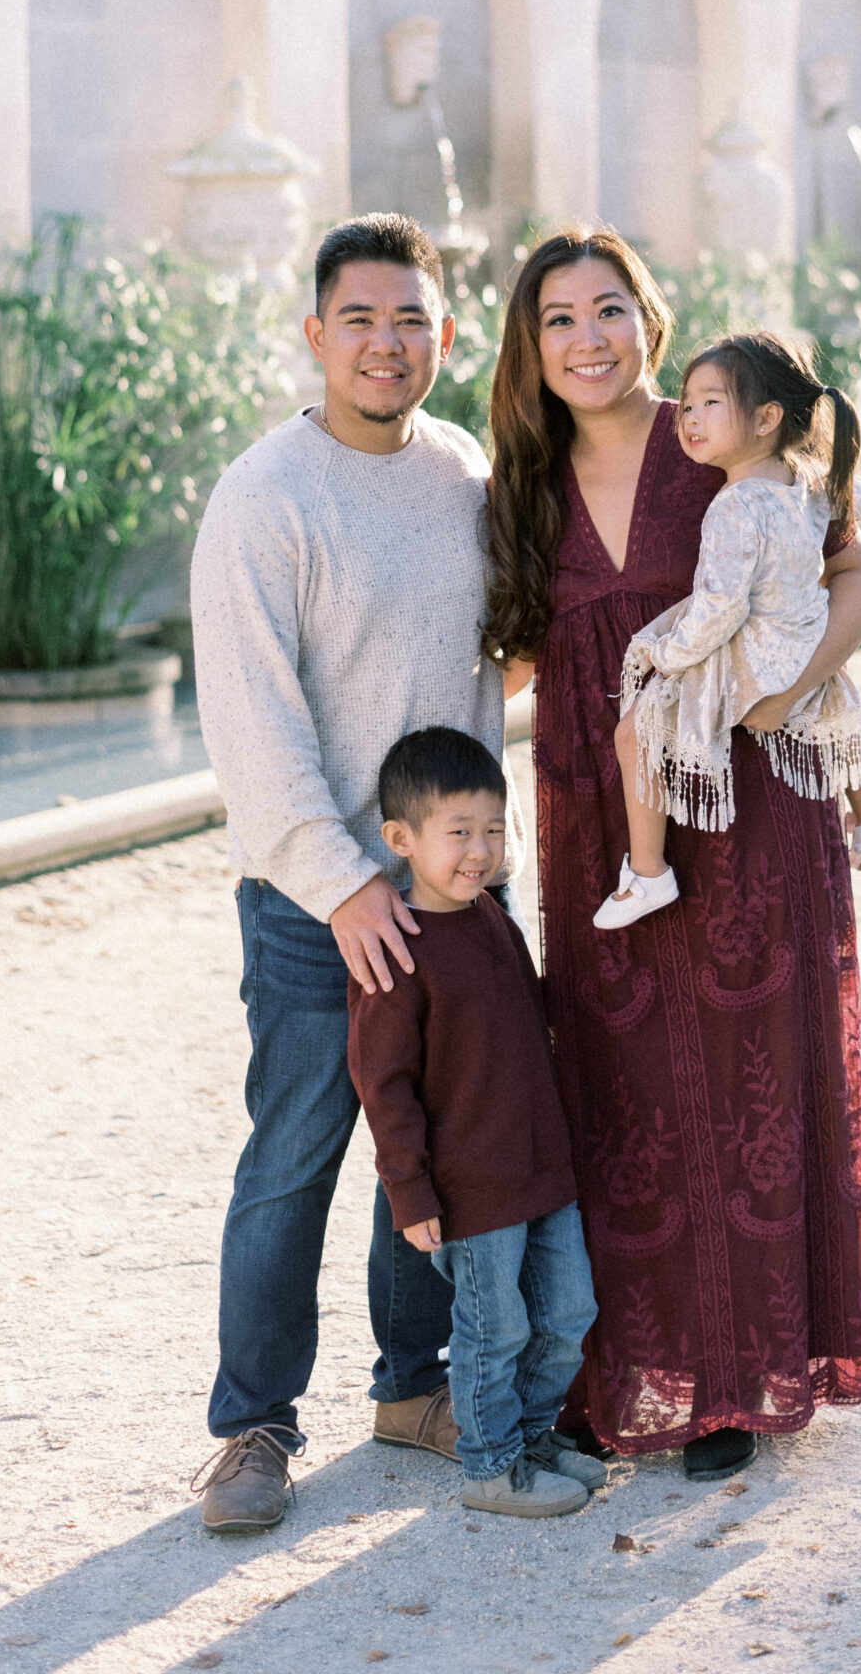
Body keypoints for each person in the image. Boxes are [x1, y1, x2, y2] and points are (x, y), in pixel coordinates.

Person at [483, 228, 861, 1483]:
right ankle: (627, 1371)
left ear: (648, 322)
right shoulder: (520, 482)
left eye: (608, 309)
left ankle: (738, 1379)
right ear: (529, 344)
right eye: (558, 318)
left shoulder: (712, 436)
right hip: (595, 811)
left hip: (745, 801)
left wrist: (786, 695)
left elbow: (860, 582)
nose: (586, 337)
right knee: (622, 1089)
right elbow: (500, 656)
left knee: (749, 1075)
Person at [188, 213, 525, 1534]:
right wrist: (344, 885)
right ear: (315, 335)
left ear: (445, 335)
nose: (387, 344)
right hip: (311, 906)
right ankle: (253, 1425)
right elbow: (252, 729)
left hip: (450, 898)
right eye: (361, 320)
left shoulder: (461, 474)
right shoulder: (267, 498)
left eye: (412, 322)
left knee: (431, 1155)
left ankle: (413, 1387)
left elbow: (490, 666)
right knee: (296, 1157)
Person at [350, 726, 601, 1519]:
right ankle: (490, 1466)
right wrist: (410, 1195)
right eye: (458, 833)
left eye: (493, 830)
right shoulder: (398, 952)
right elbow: (382, 1087)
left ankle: (527, 1437)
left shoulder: (492, 918)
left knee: (567, 1315)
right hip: (470, 1191)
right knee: (494, 1331)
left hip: (541, 1171)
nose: (479, 850)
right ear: (400, 839)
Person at [599, 331, 861, 929]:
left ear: (766, 418)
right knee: (839, 706)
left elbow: (720, 607)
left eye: (711, 402)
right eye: (687, 403)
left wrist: (669, 656)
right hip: (808, 635)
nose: (690, 418)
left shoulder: (734, 505)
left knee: (635, 732)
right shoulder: (805, 481)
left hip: (756, 653)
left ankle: (647, 872)